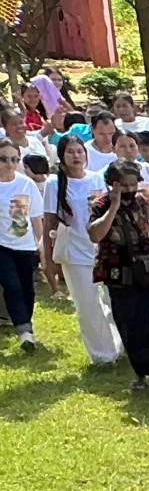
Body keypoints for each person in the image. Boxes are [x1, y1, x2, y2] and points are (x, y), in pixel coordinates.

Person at [88, 163, 149, 394]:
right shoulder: (100, 205)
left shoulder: (142, 203)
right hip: (118, 272)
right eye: (125, 185)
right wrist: (114, 205)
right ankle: (140, 373)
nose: (130, 189)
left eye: (134, 184)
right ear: (112, 184)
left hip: (148, 268)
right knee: (130, 323)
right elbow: (95, 234)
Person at [42, 135, 120, 365]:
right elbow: (49, 221)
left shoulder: (97, 179)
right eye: (70, 152)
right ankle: (103, 354)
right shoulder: (54, 184)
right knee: (87, 305)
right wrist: (48, 259)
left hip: (102, 250)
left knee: (112, 300)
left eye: (79, 152)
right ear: (62, 157)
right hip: (74, 254)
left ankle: (119, 342)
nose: (76, 157)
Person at [0, 140, 44, 351]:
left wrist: (41, 247)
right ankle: (23, 329)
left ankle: (27, 328)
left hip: (25, 246)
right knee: (12, 286)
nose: (9, 164)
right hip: (2, 246)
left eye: (14, 159)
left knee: (27, 288)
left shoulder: (26, 184)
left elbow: (36, 218)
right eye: (3, 159)